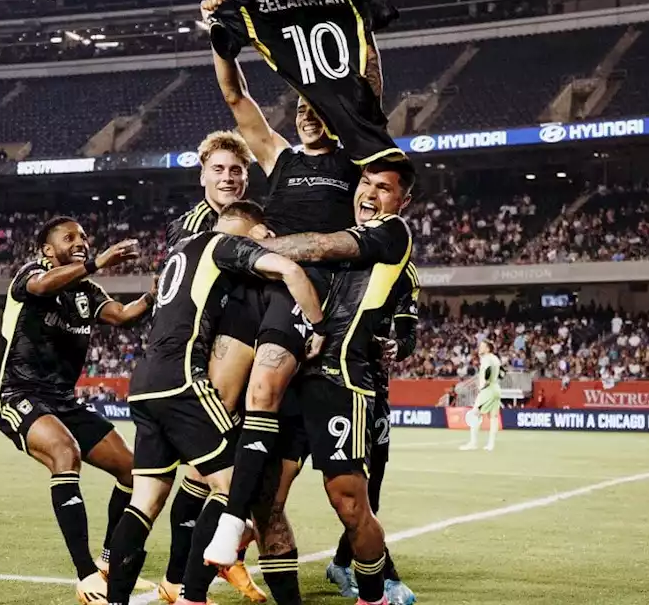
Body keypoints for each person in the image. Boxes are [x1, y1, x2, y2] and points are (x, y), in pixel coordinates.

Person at [200, 0, 380, 583]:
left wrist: (363, 30)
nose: (307, 114)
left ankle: (231, 531)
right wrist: (220, 39)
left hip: (316, 296)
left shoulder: (353, 163)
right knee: (229, 410)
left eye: (317, 107)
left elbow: (367, 94)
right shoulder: (276, 156)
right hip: (264, 292)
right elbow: (235, 96)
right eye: (301, 107)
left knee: (268, 390)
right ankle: (212, 539)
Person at [208, 159, 419, 605]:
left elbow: (320, 246)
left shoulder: (392, 231)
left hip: (341, 381)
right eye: (365, 182)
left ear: (403, 200)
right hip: (295, 374)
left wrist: (254, 246)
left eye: (383, 188)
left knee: (348, 501)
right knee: (268, 498)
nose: (370, 194)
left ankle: (373, 594)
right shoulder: (347, 226)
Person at [104, 201, 325, 605]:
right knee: (237, 481)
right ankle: (194, 594)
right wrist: (318, 325)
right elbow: (290, 270)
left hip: (144, 383)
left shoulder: (180, 251)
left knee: (145, 501)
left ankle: (115, 600)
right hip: (182, 380)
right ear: (249, 230)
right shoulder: (224, 244)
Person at [0, 217, 153, 604]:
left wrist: (153, 296)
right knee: (65, 454)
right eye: (70, 237)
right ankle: (86, 576)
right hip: (17, 393)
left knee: (132, 470)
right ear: (48, 249)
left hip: (63, 400)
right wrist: (99, 262)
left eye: (83, 236)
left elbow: (124, 316)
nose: (80, 241)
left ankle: (110, 563)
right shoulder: (31, 274)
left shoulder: (87, 291)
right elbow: (43, 287)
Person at [158, 131, 268, 604]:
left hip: (241, 351)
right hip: (204, 357)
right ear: (202, 173)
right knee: (208, 472)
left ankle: (216, 560)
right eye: (219, 169)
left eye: (236, 170)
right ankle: (179, 576)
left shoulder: (243, 219)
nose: (228, 177)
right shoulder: (196, 224)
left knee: (227, 469)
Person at [327, 262, 420, 604]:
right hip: (317, 376)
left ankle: (343, 564)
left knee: (369, 490)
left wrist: (400, 346)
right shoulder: (335, 250)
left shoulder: (403, 272)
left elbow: (408, 334)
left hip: (371, 386)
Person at [462, 339, 503, 451]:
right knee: (493, 418)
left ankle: (473, 443)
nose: (480, 348)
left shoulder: (486, 359)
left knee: (475, 414)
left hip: (488, 389)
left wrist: (484, 383)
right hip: (496, 388)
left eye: (482, 346)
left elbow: (487, 371)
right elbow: (502, 373)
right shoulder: (496, 358)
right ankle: (491, 445)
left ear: (488, 349)